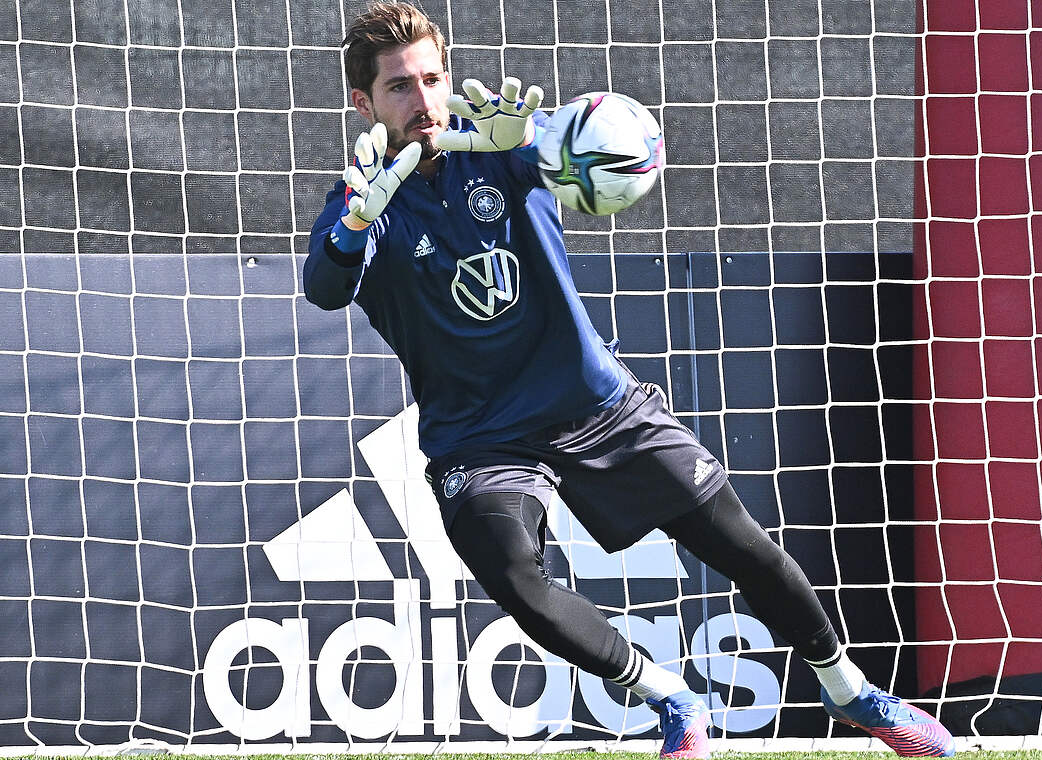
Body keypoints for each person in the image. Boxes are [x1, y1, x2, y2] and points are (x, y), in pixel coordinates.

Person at [303, 2, 955, 757]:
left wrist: (536, 140)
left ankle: (852, 692)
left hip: (595, 403)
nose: (424, 100)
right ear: (364, 104)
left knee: (743, 546)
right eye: (400, 87)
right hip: (480, 437)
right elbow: (324, 286)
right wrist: (356, 223)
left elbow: (595, 151)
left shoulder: (504, 149)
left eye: (433, 78)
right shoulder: (362, 201)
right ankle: (668, 697)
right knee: (514, 575)